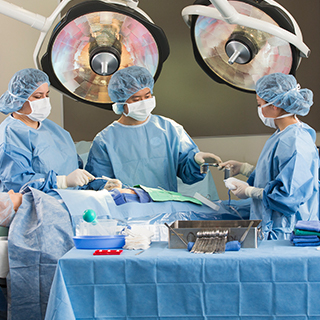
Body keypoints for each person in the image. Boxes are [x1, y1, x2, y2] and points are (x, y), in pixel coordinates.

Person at [85, 66, 221, 191]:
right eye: (136, 99)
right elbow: (97, 181)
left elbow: (188, 175)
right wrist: (106, 187)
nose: (144, 102)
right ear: (121, 102)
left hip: (165, 209)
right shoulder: (105, 140)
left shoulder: (169, 129)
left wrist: (196, 160)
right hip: (126, 211)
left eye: (147, 96)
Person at [220, 73, 319, 240]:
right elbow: (275, 175)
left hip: (288, 232)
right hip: (274, 226)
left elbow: (288, 196)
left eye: (260, 104)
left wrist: (250, 191)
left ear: (275, 105)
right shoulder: (281, 135)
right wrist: (245, 168)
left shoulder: (296, 142)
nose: (259, 109)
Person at [0, 68, 94, 193]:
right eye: (38, 96)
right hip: (36, 207)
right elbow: (18, 182)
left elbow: (74, 167)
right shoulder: (11, 134)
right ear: (19, 99)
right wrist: (62, 181)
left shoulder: (52, 128)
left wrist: (97, 183)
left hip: (71, 201)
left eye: (47, 95)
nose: (44, 100)